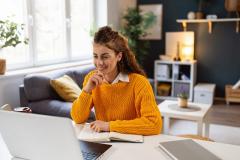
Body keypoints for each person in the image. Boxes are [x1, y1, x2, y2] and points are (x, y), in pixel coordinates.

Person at [71, 26, 162, 135]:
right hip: (104, 143)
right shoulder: (91, 79)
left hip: (134, 144)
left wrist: (109, 126)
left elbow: (154, 124)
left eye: (105, 57)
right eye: (95, 56)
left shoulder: (139, 83)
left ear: (119, 56)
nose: (99, 63)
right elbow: (77, 118)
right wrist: (86, 90)